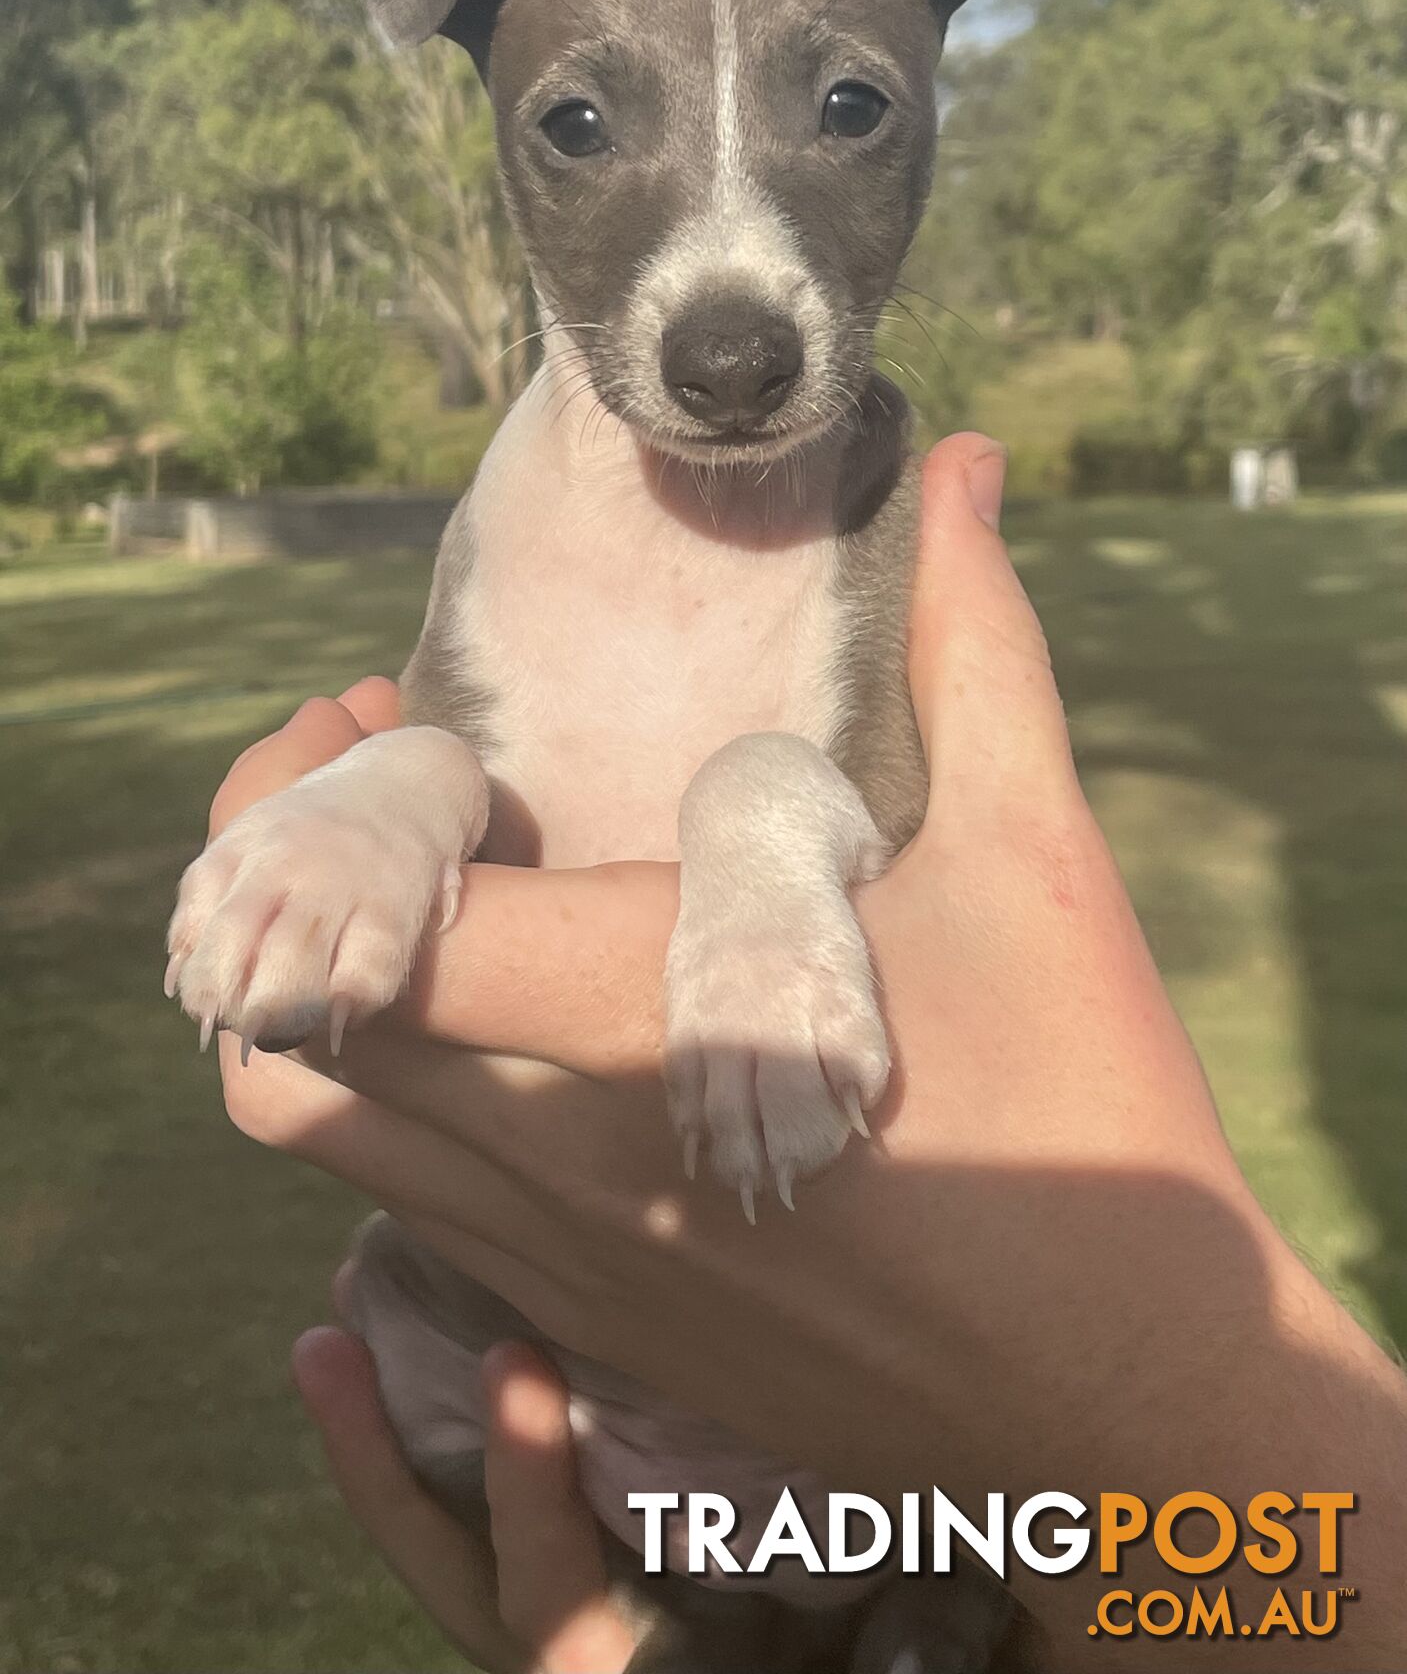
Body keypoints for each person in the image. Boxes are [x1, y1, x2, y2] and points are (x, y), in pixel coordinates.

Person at [214, 434, 1407, 1672]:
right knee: (393, 1301)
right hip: (540, 1410)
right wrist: (386, 803)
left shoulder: (862, 509)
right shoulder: (515, 520)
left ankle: (914, 1610)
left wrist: (1130, 1392)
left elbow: (874, 817)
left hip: (880, 1497)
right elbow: (452, 758)